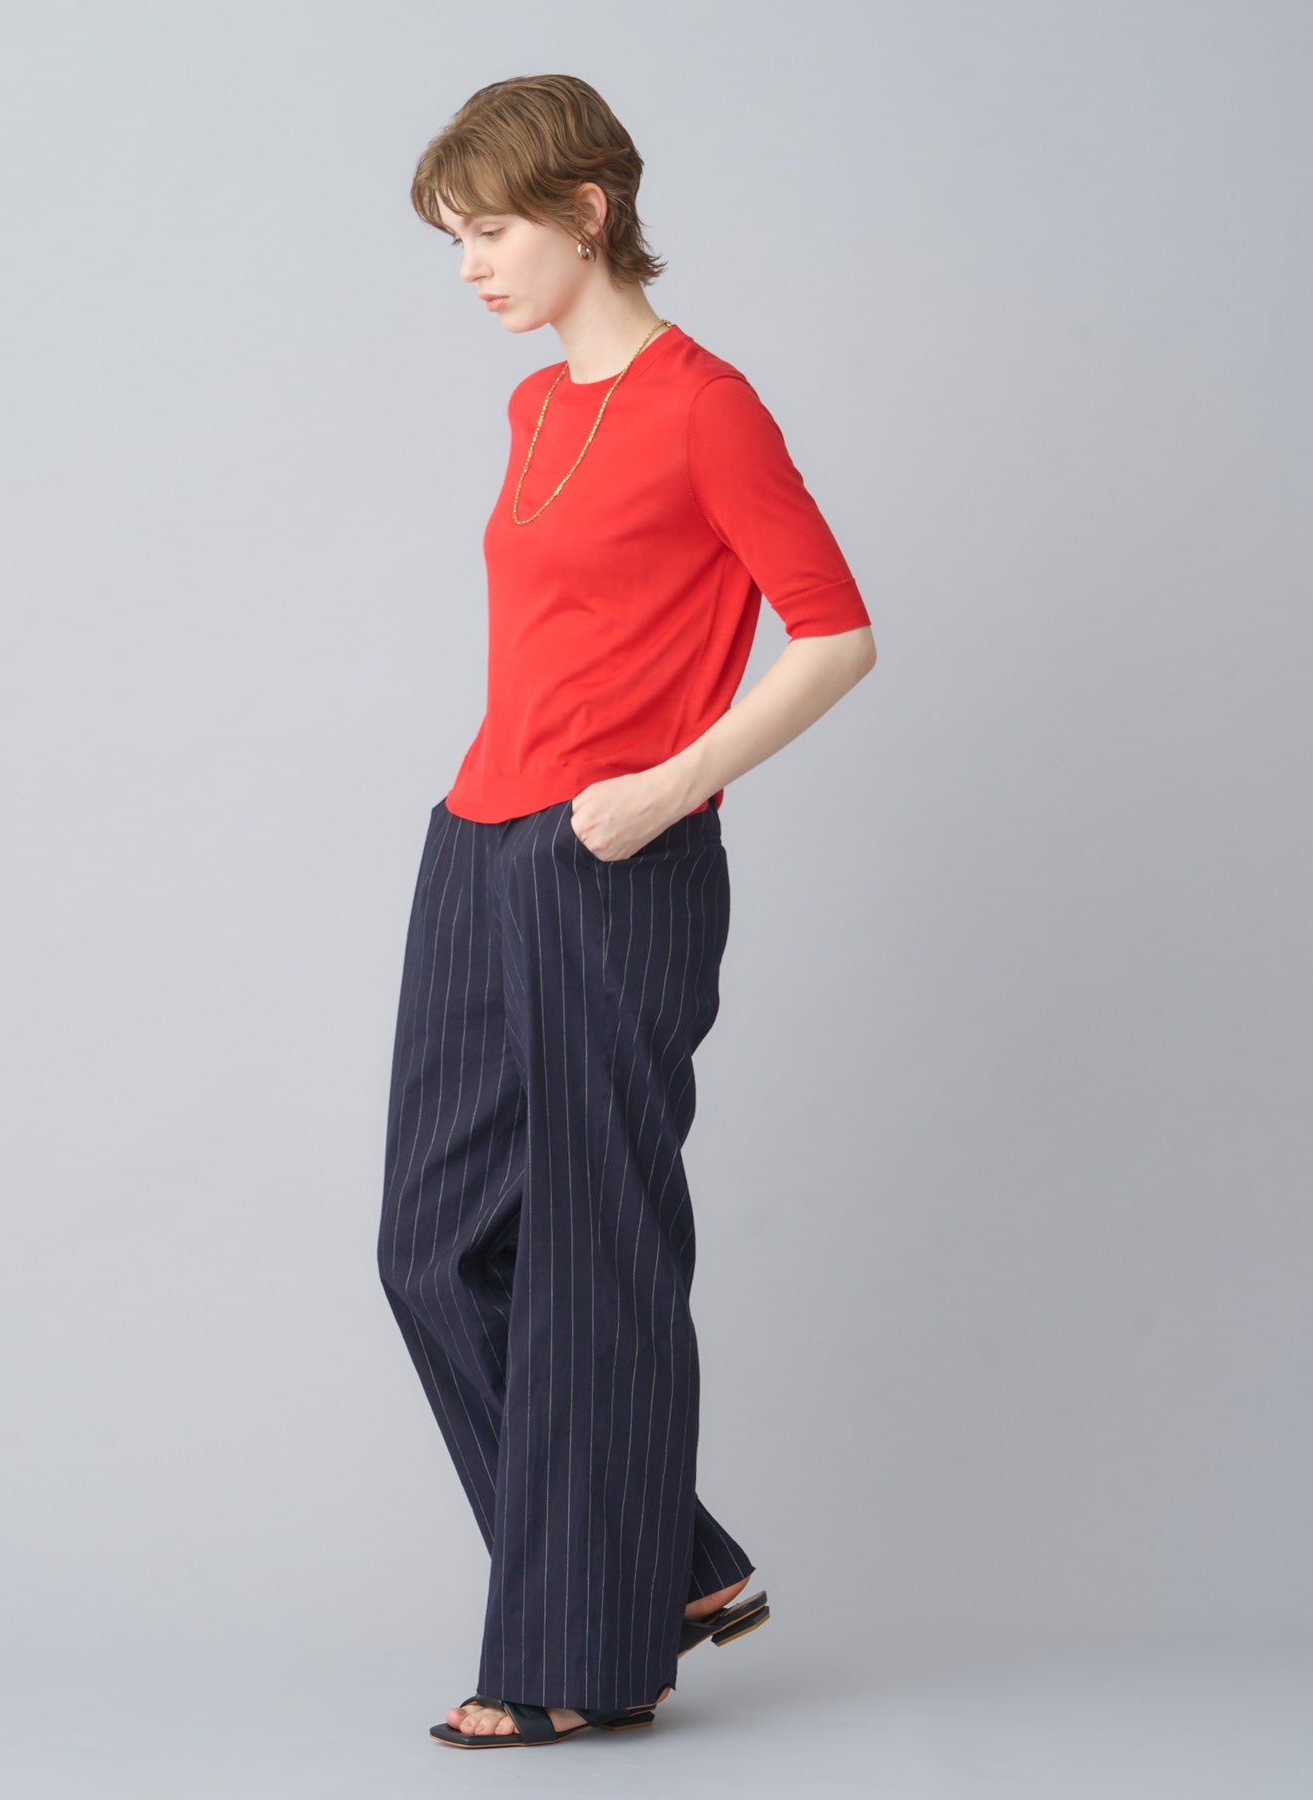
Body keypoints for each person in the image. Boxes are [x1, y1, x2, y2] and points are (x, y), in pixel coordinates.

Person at [376, 73, 877, 1750]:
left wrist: (671, 786)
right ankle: (668, 1563)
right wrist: (498, 818)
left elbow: (835, 632)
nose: (470, 268)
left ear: (587, 213)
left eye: (490, 232)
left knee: (595, 1256)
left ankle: (580, 1660)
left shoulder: (706, 406)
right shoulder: (536, 408)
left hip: (617, 858)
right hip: (478, 839)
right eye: (455, 239)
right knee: (433, 1250)